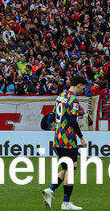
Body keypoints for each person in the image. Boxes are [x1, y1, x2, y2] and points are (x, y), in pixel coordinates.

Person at [43, 75, 85, 211]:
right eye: (82, 88)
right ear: (78, 85)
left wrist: (51, 125)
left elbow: (53, 114)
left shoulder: (61, 96)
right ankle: (66, 203)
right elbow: (73, 120)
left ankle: (50, 190)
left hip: (57, 138)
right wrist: (82, 137)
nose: (82, 91)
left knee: (66, 169)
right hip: (68, 140)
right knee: (71, 171)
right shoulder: (73, 99)